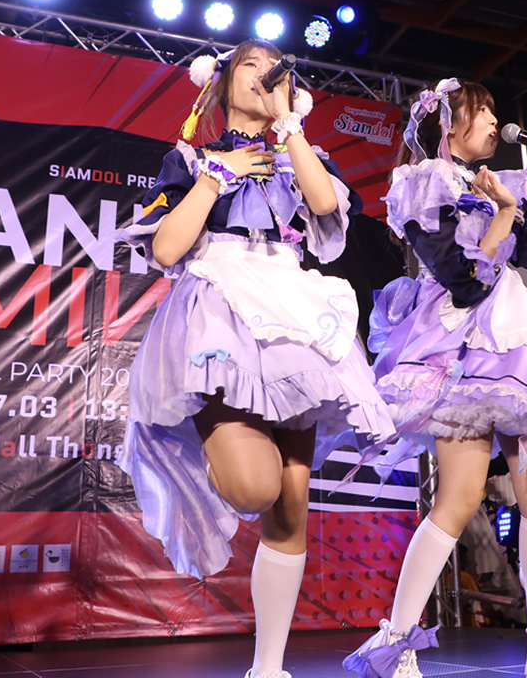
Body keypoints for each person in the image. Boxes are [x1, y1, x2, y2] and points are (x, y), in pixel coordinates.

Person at [117, 40, 394, 678]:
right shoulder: (191, 158)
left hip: (293, 308)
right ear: (219, 84)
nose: (265, 75)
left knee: (291, 506)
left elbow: (325, 207)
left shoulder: (298, 156)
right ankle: (209, 457)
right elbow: (167, 249)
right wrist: (218, 173)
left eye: (275, 68)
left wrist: (290, 124)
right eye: (250, 64)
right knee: (256, 486)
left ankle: (268, 668)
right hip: (221, 304)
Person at [344, 78, 527, 678]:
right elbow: (464, 280)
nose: (496, 121)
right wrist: (504, 212)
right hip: (460, 344)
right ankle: (396, 642)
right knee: (460, 497)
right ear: (447, 125)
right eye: (482, 111)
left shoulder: (504, 182)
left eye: (496, 110)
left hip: (517, 340)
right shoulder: (427, 182)